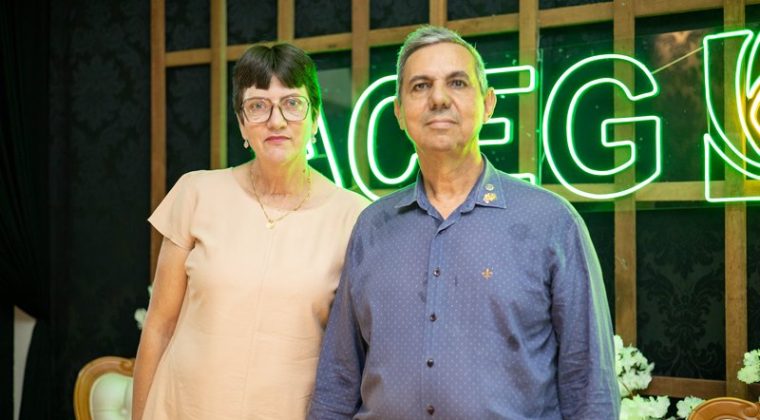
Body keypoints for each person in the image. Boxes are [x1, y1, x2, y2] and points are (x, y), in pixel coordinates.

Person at [308, 26, 620, 419]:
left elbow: (588, 386)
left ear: (488, 104)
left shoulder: (551, 223)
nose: (438, 98)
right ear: (399, 113)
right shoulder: (372, 227)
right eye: (420, 86)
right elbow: (338, 379)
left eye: (457, 83)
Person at [132, 43, 369, 420]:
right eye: (258, 106)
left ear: (316, 118)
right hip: (182, 407)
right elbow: (159, 327)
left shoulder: (353, 215)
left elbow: (352, 353)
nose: (276, 121)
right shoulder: (196, 193)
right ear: (242, 123)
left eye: (292, 103)